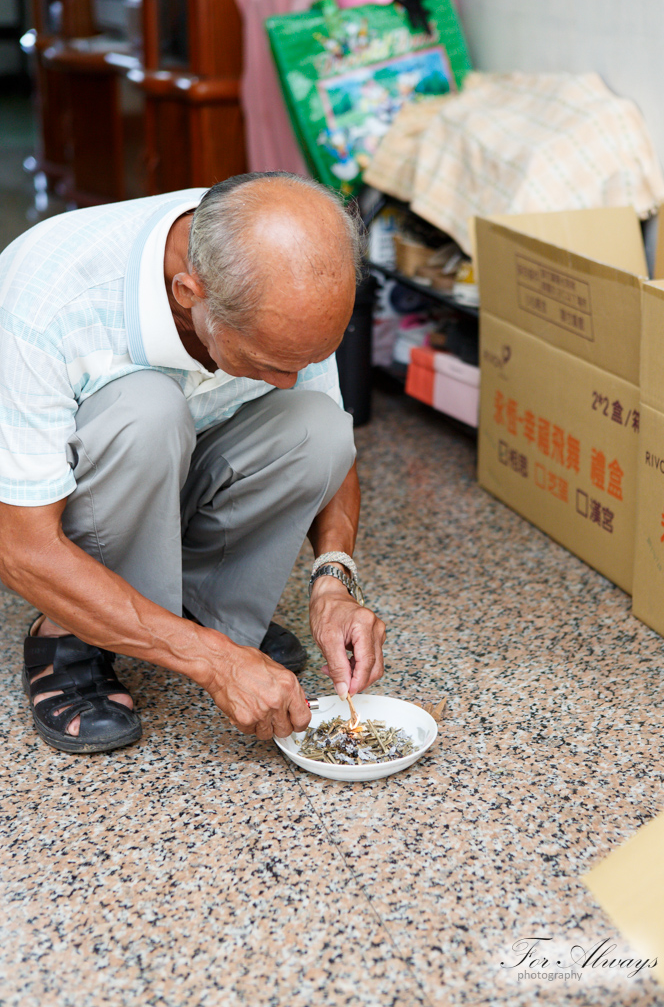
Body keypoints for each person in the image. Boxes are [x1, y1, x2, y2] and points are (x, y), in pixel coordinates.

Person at [0, 172, 386, 754]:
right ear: (188, 296)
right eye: (269, 362)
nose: (291, 379)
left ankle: (200, 609)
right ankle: (69, 636)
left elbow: (332, 442)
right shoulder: (46, 298)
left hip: (178, 474)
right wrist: (215, 664)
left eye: (309, 358)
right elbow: (19, 546)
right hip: (81, 501)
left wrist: (334, 579)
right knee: (146, 410)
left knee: (318, 426)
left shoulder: (283, 272)